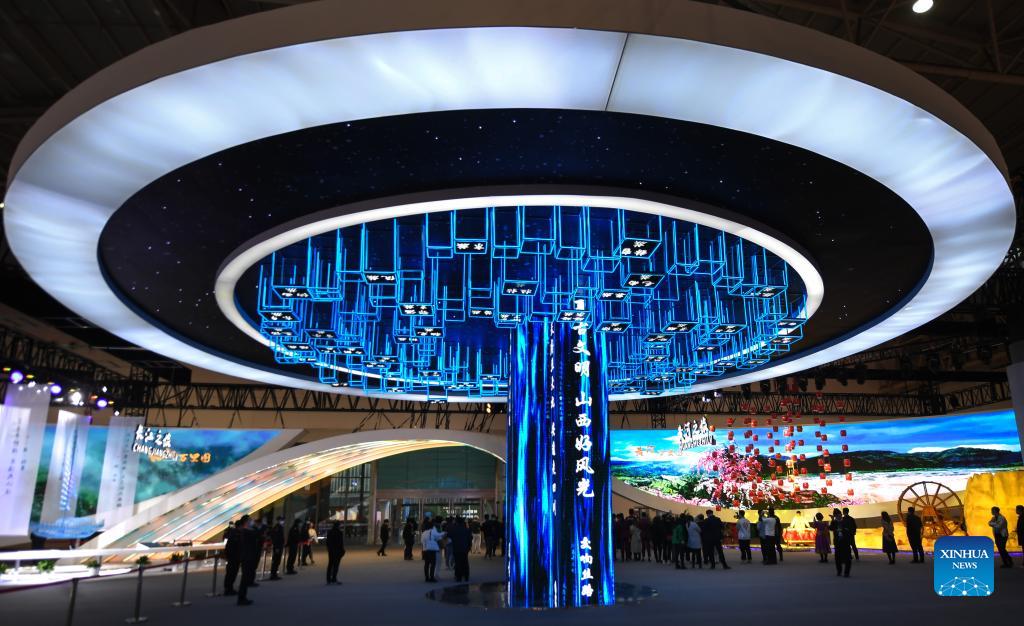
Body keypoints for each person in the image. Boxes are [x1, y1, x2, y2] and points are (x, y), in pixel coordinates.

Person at [237, 515, 260, 606]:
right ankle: (241, 598)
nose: (251, 522)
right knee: (245, 578)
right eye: (250, 520)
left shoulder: (246, 531)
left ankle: (243, 597)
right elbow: (256, 534)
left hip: (248, 556)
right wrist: (256, 527)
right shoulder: (245, 531)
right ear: (246, 522)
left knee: (245, 577)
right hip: (247, 557)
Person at [830, 509, 853, 578]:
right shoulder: (834, 522)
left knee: (848, 557)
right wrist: (832, 520)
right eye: (836, 515)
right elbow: (831, 528)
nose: (838, 516)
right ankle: (839, 571)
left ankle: (846, 572)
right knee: (837, 558)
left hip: (846, 542)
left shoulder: (846, 521)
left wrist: (846, 530)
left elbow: (851, 529)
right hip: (838, 542)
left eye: (839, 514)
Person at [449, 517, 473, 582]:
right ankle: (466, 576)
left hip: (456, 548)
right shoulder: (467, 530)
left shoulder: (453, 530)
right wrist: (469, 547)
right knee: (465, 562)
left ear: (456, 522)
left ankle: (458, 577)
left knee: (458, 562)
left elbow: (450, 537)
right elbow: (470, 538)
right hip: (465, 548)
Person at [223, 520, 241, 596]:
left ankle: (229, 588)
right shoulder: (235, 533)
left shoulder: (235, 532)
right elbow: (230, 544)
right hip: (233, 556)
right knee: (231, 572)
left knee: (232, 572)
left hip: (234, 555)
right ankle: (228, 589)